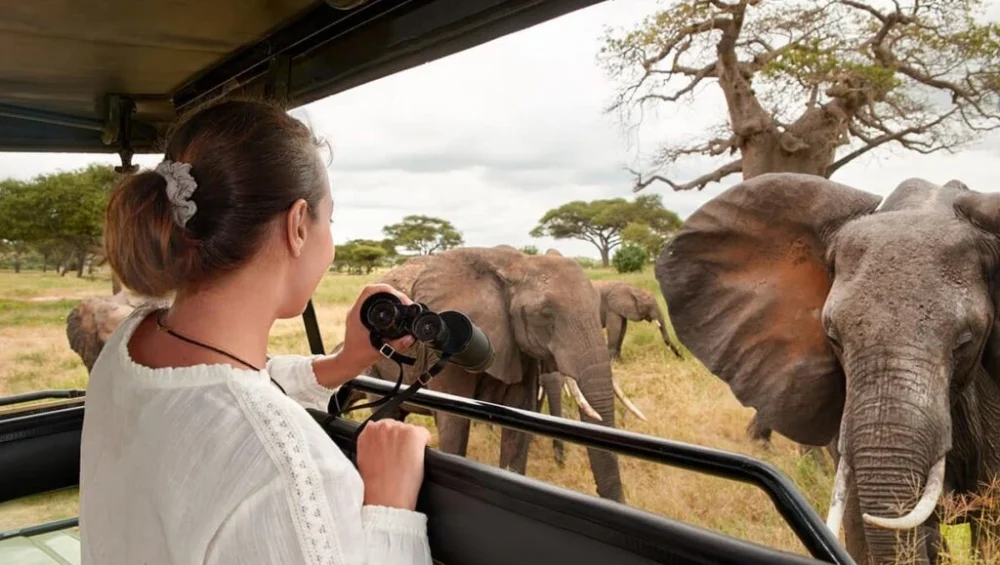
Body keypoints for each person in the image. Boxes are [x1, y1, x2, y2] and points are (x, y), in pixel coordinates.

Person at [80, 98, 433, 565]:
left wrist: (342, 363)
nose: (330, 242)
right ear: (297, 227)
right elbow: (240, 411)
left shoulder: (131, 342)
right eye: (329, 220)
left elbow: (215, 391)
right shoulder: (290, 472)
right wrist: (390, 510)